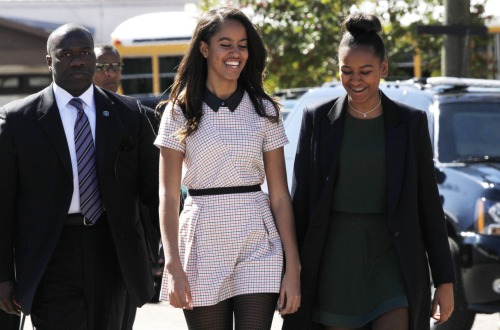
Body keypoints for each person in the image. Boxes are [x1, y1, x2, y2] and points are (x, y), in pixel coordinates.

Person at [282, 14, 455, 330]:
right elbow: (301, 203)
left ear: (384, 69)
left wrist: (444, 279)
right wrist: (290, 270)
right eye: (346, 71)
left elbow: (429, 204)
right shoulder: (317, 120)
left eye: (365, 71)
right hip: (333, 263)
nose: (355, 80)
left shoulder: (410, 124)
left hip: (392, 260)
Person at [0, 23, 159, 329]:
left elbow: (154, 193)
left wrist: (153, 254)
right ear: (49, 61)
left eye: (84, 52)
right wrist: (4, 276)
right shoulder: (18, 120)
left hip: (113, 252)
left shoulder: (130, 115)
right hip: (50, 256)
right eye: (66, 53)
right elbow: (4, 205)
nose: (77, 60)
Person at [155, 7, 301, 329]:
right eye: (226, 44)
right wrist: (173, 264)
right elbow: (168, 195)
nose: (236, 53)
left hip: (258, 243)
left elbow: (279, 196)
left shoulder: (266, 110)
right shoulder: (179, 112)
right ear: (205, 49)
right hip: (202, 240)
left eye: (242, 44)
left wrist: (294, 266)